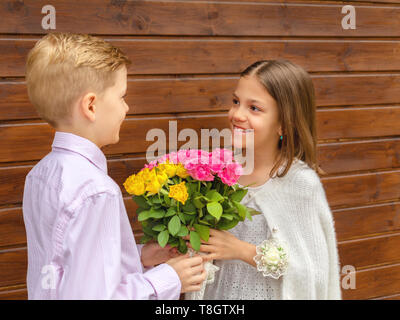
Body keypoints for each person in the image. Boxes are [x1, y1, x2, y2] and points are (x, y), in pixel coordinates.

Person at [22, 32, 206, 299]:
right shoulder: (96, 191)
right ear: (91, 106)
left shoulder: (39, 175)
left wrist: (139, 256)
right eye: (121, 96)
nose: (127, 107)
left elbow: (67, 270)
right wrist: (169, 278)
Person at [197, 60, 342, 299]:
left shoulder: (300, 183)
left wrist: (242, 251)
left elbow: (312, 270)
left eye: (254, 108)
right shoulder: (222, 172)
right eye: (236, 102)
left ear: (285, 123)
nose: (237, 115)